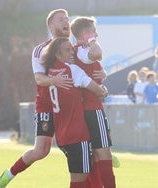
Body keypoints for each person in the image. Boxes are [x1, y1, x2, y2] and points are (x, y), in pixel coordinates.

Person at [0, 9, 74, 188]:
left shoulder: (74, 49)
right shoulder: (41, 50)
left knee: (77, 143)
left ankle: (102, 151)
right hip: (47, 105)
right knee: (41, 151)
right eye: (61, 19)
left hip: (69, 106)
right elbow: (39, 79)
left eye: (67, 19)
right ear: (51, 25)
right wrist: (55, 80)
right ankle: (8, 175)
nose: (66, 22)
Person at [42, 37, 108, 187]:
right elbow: (97, 90)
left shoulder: (50, 72)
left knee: (81, 179)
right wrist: (103, 90)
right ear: (58, 55)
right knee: (79, 181)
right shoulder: (72, 70)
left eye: (72, 48)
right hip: (78, 136)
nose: (72, 52)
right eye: (68, 50)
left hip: (62, 136)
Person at [71, 16, 116, 187]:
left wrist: (103, 73)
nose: (96, 34)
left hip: (81, 109)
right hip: (92, 108)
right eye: (93, 31)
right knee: (104, 153)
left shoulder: (76, 52)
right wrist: (91, 40)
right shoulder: (84, 50)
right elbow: (97, 53)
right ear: (85, 34)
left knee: (93, 155)